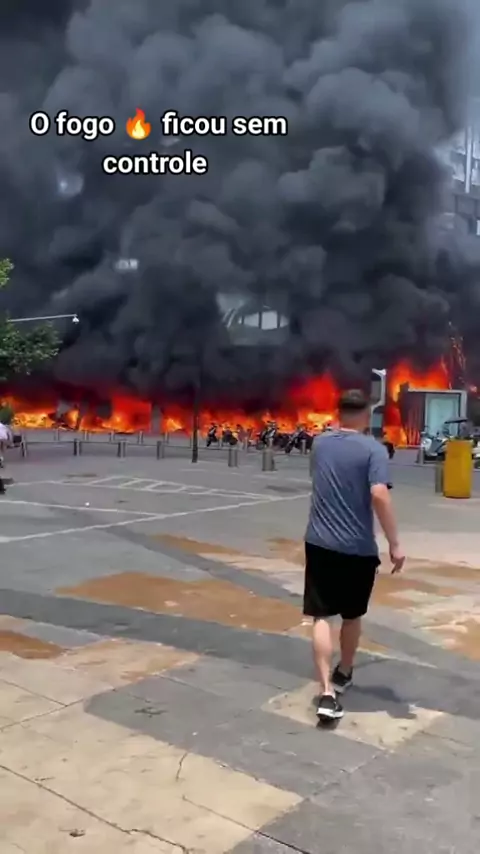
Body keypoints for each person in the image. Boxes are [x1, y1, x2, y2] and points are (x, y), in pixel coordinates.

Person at [304, 388, 405, 721]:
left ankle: (326, 693)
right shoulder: (374, 449)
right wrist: (395, 543)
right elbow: (379, 494)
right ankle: (344, 671)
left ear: (338, 412)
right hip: (357, 548)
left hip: (319, 543)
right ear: (366, 414)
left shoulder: (320, 444)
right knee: (351, 615)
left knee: (321, 616)